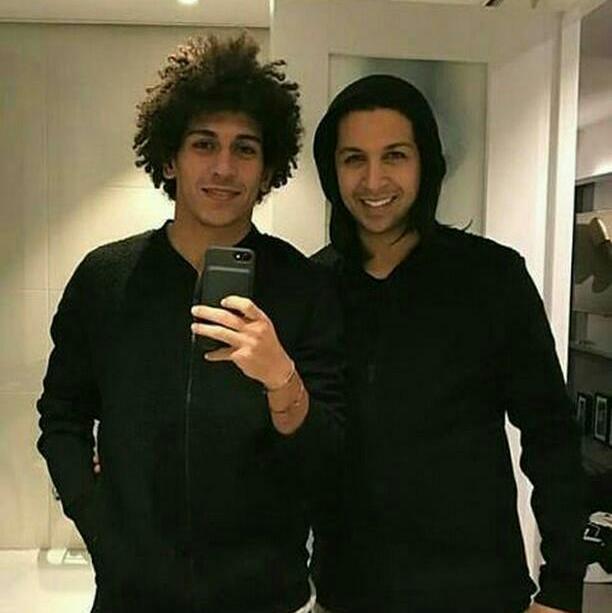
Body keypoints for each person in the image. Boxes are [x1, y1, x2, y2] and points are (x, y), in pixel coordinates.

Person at [37, 34, 344, 613]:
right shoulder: (106, 279)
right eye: (204, 144)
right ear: (170, 157)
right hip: (131, 596)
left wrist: (282, 379)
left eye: (245, 148)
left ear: (268, 169)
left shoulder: (306, 288)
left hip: (264, 597)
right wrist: (100, 528)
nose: (224, 167)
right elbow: (61, 416)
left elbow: (328, 458)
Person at [310, 75, 587, 613]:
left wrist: (562, 586)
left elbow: (551, 433)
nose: (373, 180)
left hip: (479, 590)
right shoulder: (313, 289)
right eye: (354, 159)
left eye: (395, 155)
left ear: (425, 164)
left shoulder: (493, 278)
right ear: (331, 170)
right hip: (349, 593)